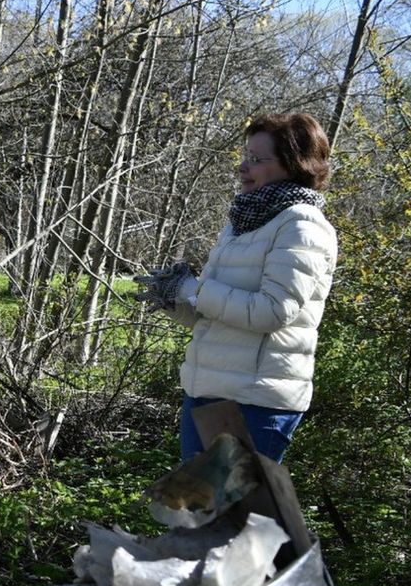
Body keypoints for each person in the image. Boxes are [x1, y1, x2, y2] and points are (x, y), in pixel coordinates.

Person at [137, 111, 337, 463]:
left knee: (229, 516)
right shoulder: (243, 223)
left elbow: (273, 311)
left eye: (258, 160)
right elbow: (215, 317)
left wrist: (193, 290)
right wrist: (174, 299)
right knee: (201, 514)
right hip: (210, 391)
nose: (244, 167)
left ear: (295, 165)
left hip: (255, 402)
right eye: (246, 156)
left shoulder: (302, 226)